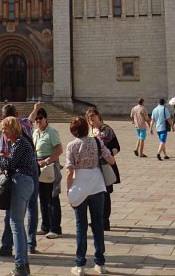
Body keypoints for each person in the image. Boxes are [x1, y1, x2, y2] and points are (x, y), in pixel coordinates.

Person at [0, 116, 38, 276]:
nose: (3, 132)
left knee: (15, 224)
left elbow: (10, 164)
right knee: (18, 224)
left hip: (21, 182)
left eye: (4, 128)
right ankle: (24, 264)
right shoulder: (19, 143)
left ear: (12, 129)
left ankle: (20, 266)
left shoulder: (21, 142)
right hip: (25, 182)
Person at [65, 115, 116, 276]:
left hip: (79, 184)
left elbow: (69, 171)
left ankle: (80, 265)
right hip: (96, 184)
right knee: (98, 224)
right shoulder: (96, 141)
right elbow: (111, 160)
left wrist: (68, 191)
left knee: (81, 227)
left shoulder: (71, 146)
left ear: (73, 131)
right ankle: (100, 263)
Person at [86, 107, 120, 231]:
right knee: (95, 193)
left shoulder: (107, 130)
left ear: (98, 116)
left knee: (105, 194)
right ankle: (97, 219)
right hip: (93, 166)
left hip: (106, 165)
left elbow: (117, 147)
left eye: (93, 117)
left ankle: (105, 221)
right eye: (89, 118)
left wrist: (107, 154)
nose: (91, 119)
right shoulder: (90, 131)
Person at [32, 105, 64, 238]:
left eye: (41, 118)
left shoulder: (52, 132)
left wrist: (47, 160)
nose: (38, 121)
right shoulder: (35, 132)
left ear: (46, 119)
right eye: (36, 119)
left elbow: (59, 150)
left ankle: (55, 228)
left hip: (50, 166)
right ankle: (45, 226)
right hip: (38, 166)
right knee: (42, 197)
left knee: (52, 197)